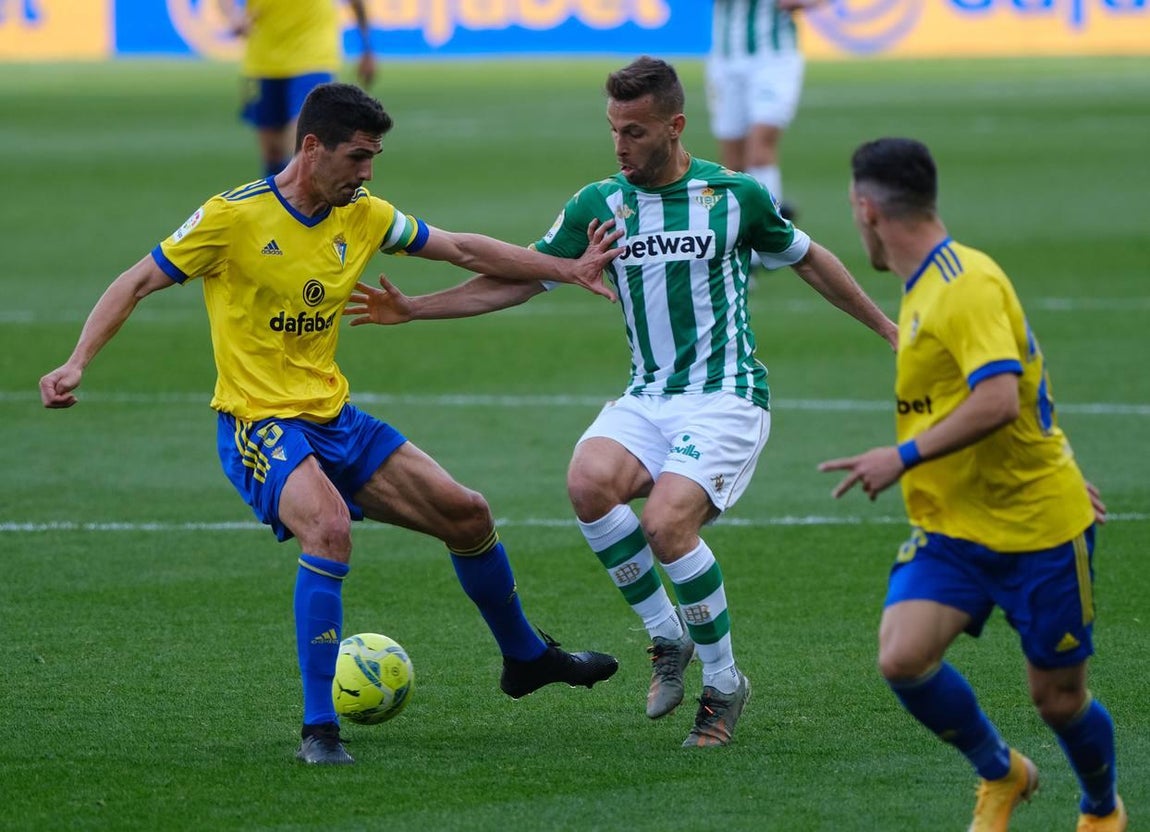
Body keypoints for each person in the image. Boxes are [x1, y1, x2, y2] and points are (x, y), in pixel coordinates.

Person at [39, 82, 624, 766]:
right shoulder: (233, 218)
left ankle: (526, 658)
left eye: (374, 158)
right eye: (358, 157)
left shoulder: (365, 215)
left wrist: (567, 267)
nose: (368, 172)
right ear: (312, 147)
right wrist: (78, 360)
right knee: (330, 527)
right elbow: (137, 280)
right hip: (258, 421)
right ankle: (320, 729)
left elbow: (460, 248)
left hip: (333, 416)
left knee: (467, 514)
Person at [344, 56, 898, 748]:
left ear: (675, 126)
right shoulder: (598, 204)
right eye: (613, 129)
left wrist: (887, 328)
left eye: (635, 132)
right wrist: (416, 309)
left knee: (668, 525)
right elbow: (521, 277)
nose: (620, 145)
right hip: (649, 395)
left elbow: (810, 257)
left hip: (726, 395)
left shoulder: (735, 197)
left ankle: (724, 685)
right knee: (588, 482)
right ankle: (670, 640)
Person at [820, 137, 1125, 831]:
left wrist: (900, 457)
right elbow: (1028, 389)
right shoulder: (926, 283)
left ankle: (1102, 810)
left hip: (1039, 531)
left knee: (1058, 700)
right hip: (955, 528)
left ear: (867, 209)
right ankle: (1003, 773)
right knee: (902, 658)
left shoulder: (966, 284)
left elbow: (1001, 400)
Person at [218, 0, 376, 176]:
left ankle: (307, 199)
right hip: (264, 61)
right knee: (273, 154)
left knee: (302, 145)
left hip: (314, 58)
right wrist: (234, 17)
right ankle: (276, 200)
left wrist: (367, 47)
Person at [705, 0, 825, 221]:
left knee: (761, 143)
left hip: (774, 59)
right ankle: (739, 225)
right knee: (733, 159)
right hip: (725, 58)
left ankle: (770, 223)